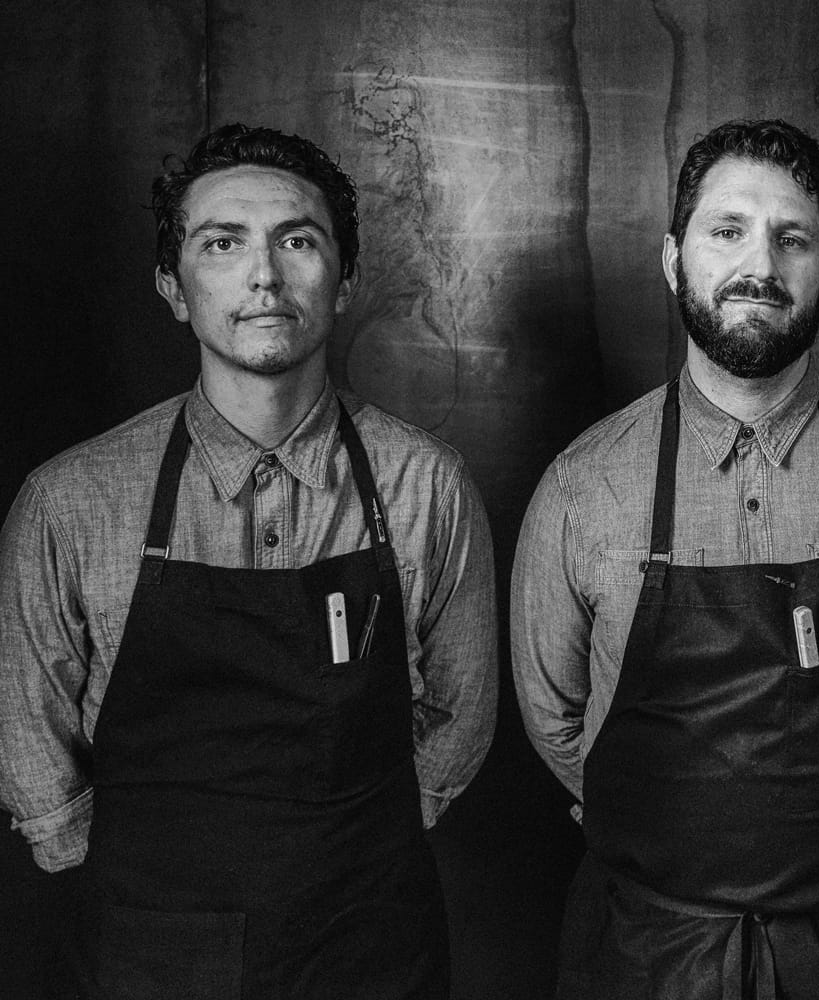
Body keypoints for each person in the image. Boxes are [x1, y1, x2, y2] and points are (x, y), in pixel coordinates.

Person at [0, 123, 499, 998]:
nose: (264, 274)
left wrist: (352, 843)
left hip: (370, 942)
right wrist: (137, 881)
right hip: (149, 951)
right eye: (223, 243)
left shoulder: (426, 484)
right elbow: (31, 747)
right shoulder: (71, 500)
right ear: (174, 287)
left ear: (343, 281)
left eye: (297, 241)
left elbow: (462, 713)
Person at [512, 118, 819, 998]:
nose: (761, 267)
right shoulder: (584, 486)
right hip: (647, 955)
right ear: (674, 259)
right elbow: (553, 718)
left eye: (793, 238)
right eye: (728, 230)